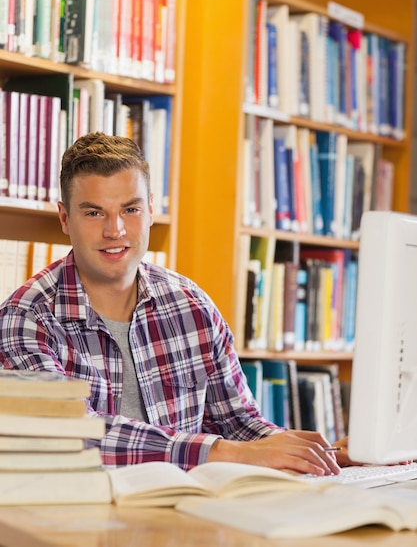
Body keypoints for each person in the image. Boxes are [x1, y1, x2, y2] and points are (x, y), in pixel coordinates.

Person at [0, 133, 349, 474]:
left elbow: (239, 424)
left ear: (151, 209)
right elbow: (72, 432)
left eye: (130, 209)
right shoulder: (26, 318)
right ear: (64, 218)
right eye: (94, 213)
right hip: (77, 518)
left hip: (184, 514)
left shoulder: (191, 306)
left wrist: (315, 456)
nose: (115, 230)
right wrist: (221, 451)